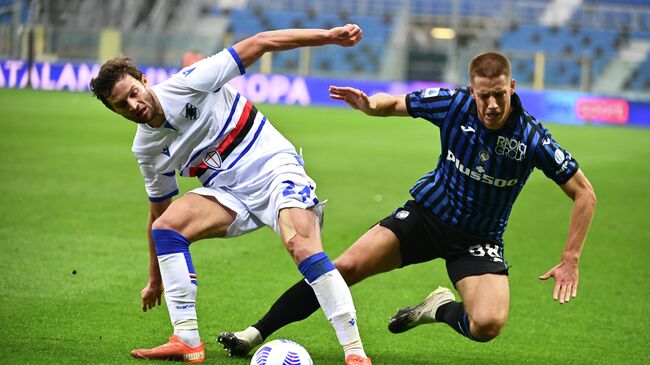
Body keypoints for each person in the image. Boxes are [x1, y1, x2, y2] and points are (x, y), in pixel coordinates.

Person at [218, 51, 597, 356]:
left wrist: (571, 258)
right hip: (426, 217)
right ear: (472, 90)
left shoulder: (531, 139)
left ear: (512, 87)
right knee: (344, 267)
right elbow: (393, 103)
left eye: (500, 94)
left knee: (488, 325)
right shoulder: (453, 104)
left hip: (478, 240)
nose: (493, 104)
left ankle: (436, 309)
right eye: (485, 95)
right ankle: (254, 334)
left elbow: (584, 193)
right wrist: (370, 105)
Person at [89, 24, 373, 365]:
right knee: (166, 228)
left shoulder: (190, 82)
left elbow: (262, 41)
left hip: (273, 169)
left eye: (133, 92)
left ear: (144, 80)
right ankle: (186, 340)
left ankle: (355, 353)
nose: (133, 104)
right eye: (122, 105)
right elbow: (158, 211)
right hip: (227, 192)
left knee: (302, 245)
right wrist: (155, 278)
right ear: (116, 111)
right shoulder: (146, 148)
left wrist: (327, 37)